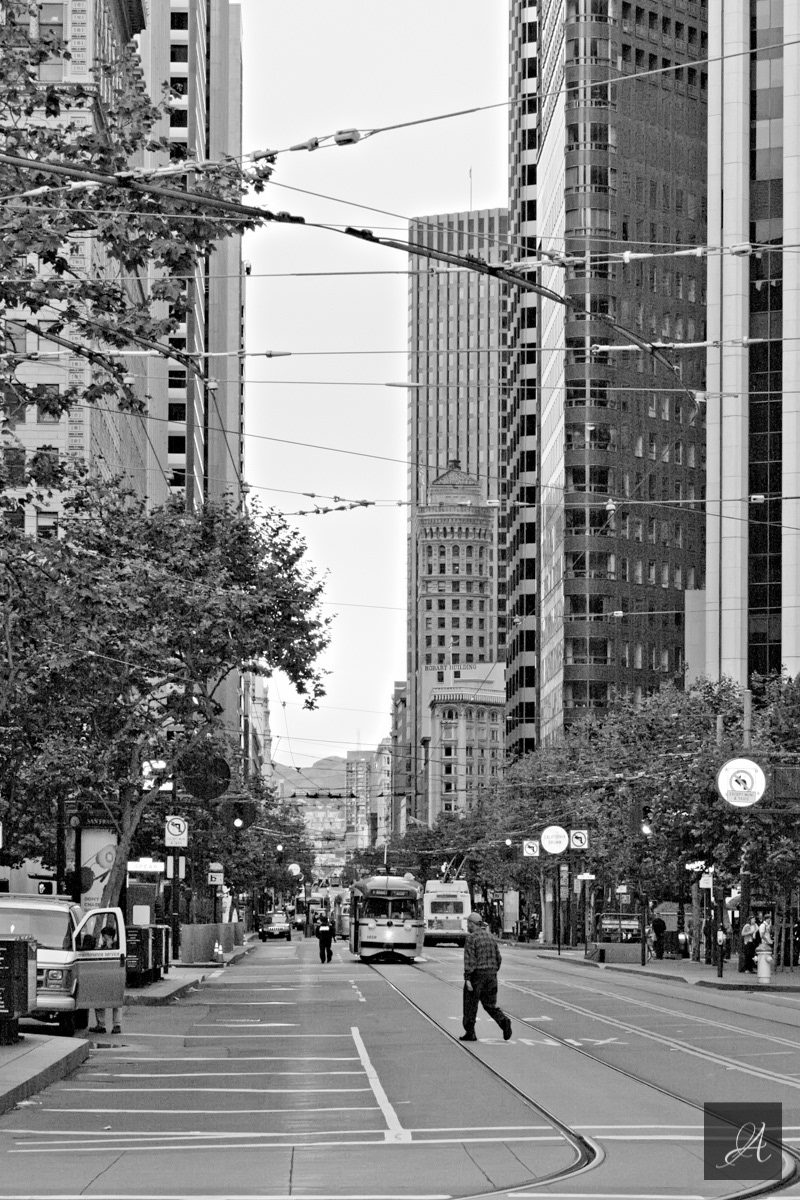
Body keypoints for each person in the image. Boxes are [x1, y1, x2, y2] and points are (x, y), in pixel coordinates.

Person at [460, 911, 512, 1043]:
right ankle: (504, 1021)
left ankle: (470, 1032)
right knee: (490, 1004)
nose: (467, 926)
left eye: (468, 923)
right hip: (491, 975)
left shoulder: (471, 938)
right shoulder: (490, 937)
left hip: (477, 975)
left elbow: (470, 959)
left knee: (470, 1005)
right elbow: (498, 957)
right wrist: (493, 971)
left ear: (472, 924)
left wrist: (468, 978)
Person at [89, 926, 122, 1035]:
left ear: (110, 936)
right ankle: (101, 1024)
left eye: (105, 936)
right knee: (99, 1000)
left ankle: (117, 1025)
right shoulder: (103, 947)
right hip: (103, 976)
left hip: (114, 976)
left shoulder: (117, 946)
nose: (103, 938)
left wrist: (110, 947)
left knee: (116, 1001)